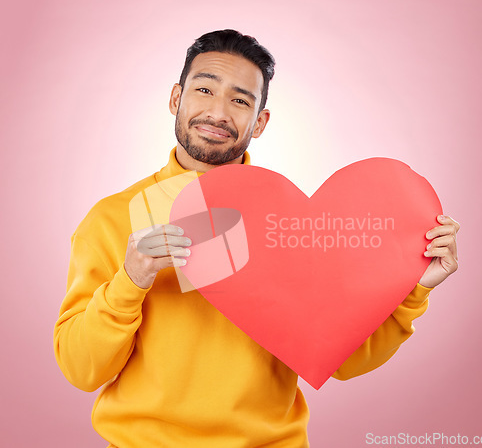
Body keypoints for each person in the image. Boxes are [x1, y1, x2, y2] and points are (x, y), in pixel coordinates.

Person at [53, 29, 460, 448]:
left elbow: (339, 358)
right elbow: (82, 370)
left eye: (240, 100)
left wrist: (414, 291)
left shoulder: (288, 223)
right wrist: (130, 280)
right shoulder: (112, 218)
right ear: (176, 99)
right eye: (204, 89)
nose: (217, 112)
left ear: (260, 122)